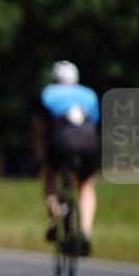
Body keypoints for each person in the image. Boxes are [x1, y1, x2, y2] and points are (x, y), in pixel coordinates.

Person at [32, 61, 100, 255]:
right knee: (86, 185)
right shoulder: (90, 95)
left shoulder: (47, 93)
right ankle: (85, 233)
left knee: (50, 175)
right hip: (87, 146)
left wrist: (38, 158)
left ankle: (54, 218)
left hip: (59, 144)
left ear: (55, 79)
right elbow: (93, 126)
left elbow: (39, 130)